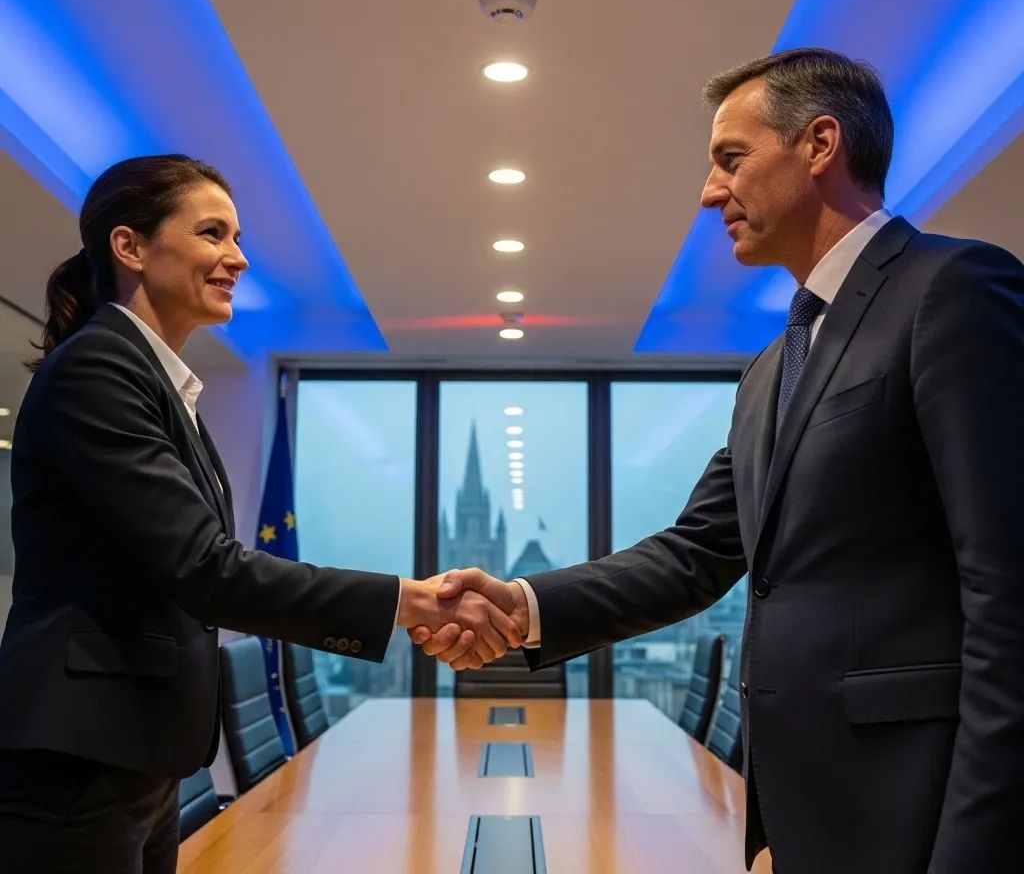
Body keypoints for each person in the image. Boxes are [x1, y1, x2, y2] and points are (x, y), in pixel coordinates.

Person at [413, 48, 1024, 873]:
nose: (709, 192)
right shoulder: (772, 367)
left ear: (819, 145)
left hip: (918, 806)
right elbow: (696, 553)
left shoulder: (953, 288)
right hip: (805, 809)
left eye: (730, 160)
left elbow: (1008, 590)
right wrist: (521, 604)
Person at [0, 154, 520, 874]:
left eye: (238, 237)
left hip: (137, 756)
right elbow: (205, 568)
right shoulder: (100, 369)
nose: (238, 258)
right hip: (80, 762)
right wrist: (406, 600)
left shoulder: (157, 384)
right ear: (131, 248)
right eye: (214, 233)